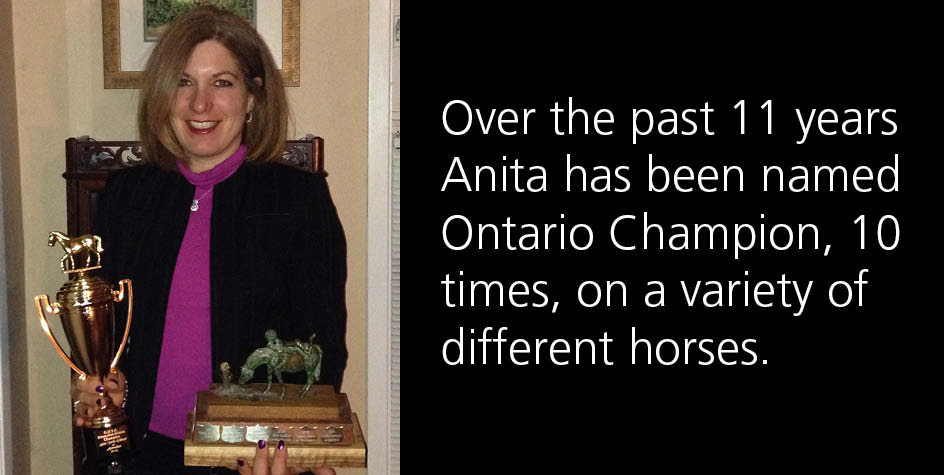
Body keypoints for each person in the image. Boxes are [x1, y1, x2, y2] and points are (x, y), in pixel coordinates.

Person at [70, 6, 346, 475]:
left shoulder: (299, 200)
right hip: (142, 455)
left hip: (249, 457)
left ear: (252, 96)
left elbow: (324, 350)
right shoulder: (127, 196)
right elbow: (107, 339)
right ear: (163, 96)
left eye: (222, 83)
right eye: (183, 82)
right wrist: (103, 387)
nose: (200, 105)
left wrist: (287, 446)